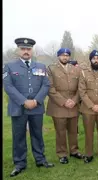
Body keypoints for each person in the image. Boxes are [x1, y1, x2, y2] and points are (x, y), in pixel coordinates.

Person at [3, 38, 54, 177]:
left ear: (32, 50)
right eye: (23, 49)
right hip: (18, 107)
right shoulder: (9, 66)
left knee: (37, 134)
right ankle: (20, 163)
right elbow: (8, 86)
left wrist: (36, 101)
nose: (26, 51)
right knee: (18, 136)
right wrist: (24, 101)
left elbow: (46, 85)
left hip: (36, 107)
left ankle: (40, 159)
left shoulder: (41, 66)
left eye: (28, 49)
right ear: (18, 50)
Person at [46, 48, 83, 164]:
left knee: (73, 130)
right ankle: (62, 153)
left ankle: (74, 151)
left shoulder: (76, 70)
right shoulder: (51, 69)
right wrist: (64, 101)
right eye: (62, 55)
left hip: (73, 104)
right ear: (58, 56)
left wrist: (74, 100)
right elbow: (50, 88)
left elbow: (80, 88)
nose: (65, 57)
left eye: (67, 55)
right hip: (58, 105)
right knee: (60, 131)